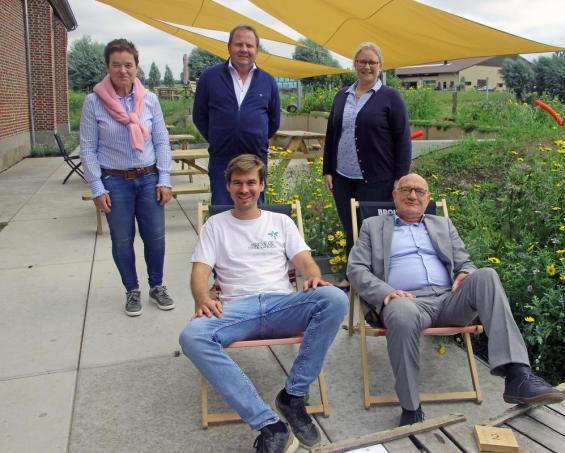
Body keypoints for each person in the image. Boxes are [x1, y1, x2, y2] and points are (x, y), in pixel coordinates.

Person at [347, 173, 565, 426]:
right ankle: (411, 407)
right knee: (402, 311)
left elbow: (465, 262)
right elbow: (356, 268)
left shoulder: (443, 225)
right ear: (395, 195)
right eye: (406, 189)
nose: (413, 195)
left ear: (428, 198)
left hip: (450, 300)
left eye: (419, 191)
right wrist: (386, 293)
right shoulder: (373, 226)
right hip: (407, 302)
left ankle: (518, 375)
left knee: (486, 275)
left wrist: (466, 272)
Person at [179, 155, 348, 453]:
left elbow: (304, 260)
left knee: (334, 298)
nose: (244, 189)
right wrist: (203, 297)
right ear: (228, 186)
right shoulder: (215, 225)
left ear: (262, 186)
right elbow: (200, 271)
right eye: (237, 183)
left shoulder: (280, 222)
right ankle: (270, 425)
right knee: (192, 336)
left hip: (281, 305)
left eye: (251, 182)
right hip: (237, 309)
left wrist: (312, 276)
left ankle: (293, 396)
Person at [80, 38, 174, 317]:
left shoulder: (150, 100)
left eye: (128, 65)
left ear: (136, 66)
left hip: (149, 178)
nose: (123, 70)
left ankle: (157, 286)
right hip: (114, 181)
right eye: (116, 65)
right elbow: (88, 148)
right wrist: (97, 187)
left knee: (155, 238)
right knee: (122, 240)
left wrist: (164, 179)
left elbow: (161, 141)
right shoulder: (93, 102)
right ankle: (132, 290)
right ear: (107, 67)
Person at [323, 42, 411, 289]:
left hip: (377, 178)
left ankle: (376, 280)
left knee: (372, 230)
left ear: (380, 66)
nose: (367, 66)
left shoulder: (390, 97)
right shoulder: (342, 95)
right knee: (350, 228)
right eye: (362, 61)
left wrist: (400, 177)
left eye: (372, 62)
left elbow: (403, 139)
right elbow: (332, 134)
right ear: (355, 65)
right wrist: (327, 169)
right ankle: (352, 277)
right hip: (343, 177)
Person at [193, 24, 280, 205]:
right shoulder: (209, 78)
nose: (244, 49)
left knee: (255, 212)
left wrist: (255, 137)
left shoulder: (268, 81)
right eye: (239, 44)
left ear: (257, 50)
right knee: (222, 210)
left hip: (255, 160)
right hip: (221, 160)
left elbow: (274, 121)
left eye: (249, 45)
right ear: (229, 47)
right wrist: (219, 137)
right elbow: (199, 116)